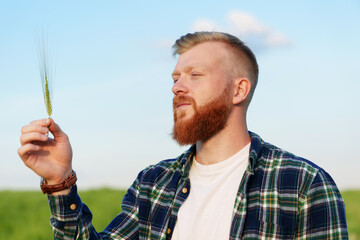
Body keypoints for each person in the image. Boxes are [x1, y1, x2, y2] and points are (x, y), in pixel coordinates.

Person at [18, 32, 348, 239]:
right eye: (175, 77)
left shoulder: (304, 184)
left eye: (195, 75)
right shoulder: (153, 183)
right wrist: (60, 182)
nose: (177, 87)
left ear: (238, 89)